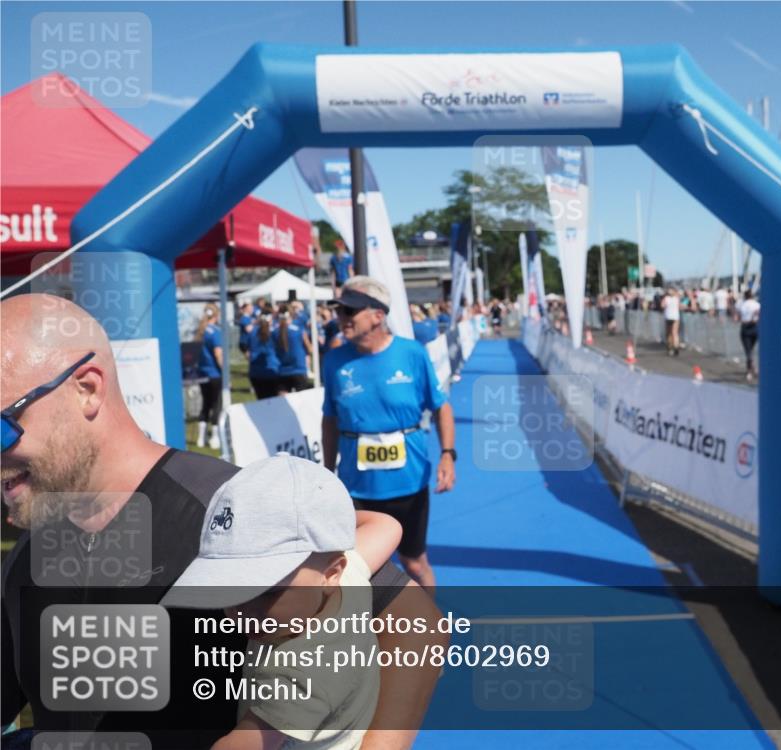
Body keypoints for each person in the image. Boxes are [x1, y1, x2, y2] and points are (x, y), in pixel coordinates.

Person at [1, 294, 447, 750]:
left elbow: (416, 623)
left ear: (87, 389)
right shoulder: (26, 557)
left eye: (2, 425)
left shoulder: (231, 510)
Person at [163, 455, 401, 750]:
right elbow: (387, 525)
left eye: (267, 592)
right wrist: (329, 525)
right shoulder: (344, 576)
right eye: (228, 589)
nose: (243, 611)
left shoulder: (302, 674)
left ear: (330, 574)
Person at [322, 277, 456, 589]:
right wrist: (328, 471)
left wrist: (448, 455)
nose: (341, 318)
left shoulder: (412, 354)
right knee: (355, 569)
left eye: (349, 312)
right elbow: (329, 419)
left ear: (378, 316)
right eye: (339, 311)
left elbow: (441, 407)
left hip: (408, 482)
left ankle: (431, 630)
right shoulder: (334, 360)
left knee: (414, 564)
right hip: (356, 486)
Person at [196, 303, 223, 449]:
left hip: (202, 373)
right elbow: (218, 353)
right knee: (216, 404)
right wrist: (224, 369)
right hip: (214, 373)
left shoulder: (200, 331)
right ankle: (214, 438)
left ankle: (201, 438)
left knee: (205, 404)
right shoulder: (215, 332)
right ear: (216, 315)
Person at [274, 303, 313, 393]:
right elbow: (309, 349)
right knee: (302, 402)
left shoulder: (275, 332)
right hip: (299, 369)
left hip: (282, 370)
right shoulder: (299, 330)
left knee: (282, 403)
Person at [247, 304, 280, 399]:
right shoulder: (274, 332)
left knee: (261, 402)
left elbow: (247, 348)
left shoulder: (252, 331)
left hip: (255, 373)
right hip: (271, 371)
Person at [736, 289, 761, 381]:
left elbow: (737, 317)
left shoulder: (742, 305)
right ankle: (754, 369)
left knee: (748, 351)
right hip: (755, 328)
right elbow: (759, 314)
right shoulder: (757, 304)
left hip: (745, 328)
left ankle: (749, 371)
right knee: (753, 349)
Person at [662, 288, 681, 356]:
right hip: (675, 317)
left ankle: (670, 348)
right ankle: (676, 347)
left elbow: (662, 305)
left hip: (668, 316)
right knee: (675, 333)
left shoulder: (666, 298)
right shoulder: (677, 298)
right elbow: (679, 306)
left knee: (669, 333)